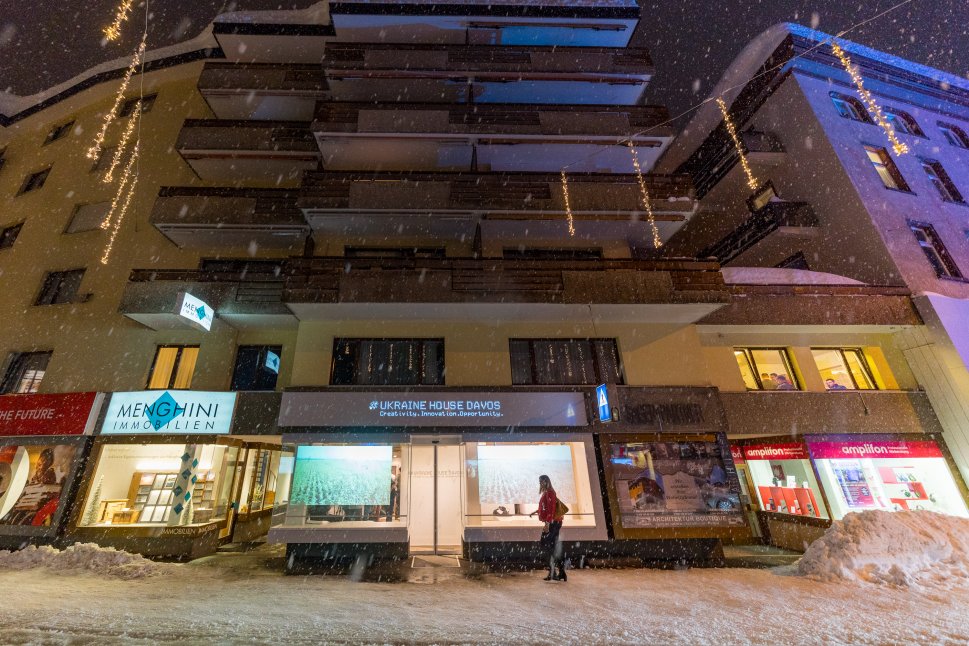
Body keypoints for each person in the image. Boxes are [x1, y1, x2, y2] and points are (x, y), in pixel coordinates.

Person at [529, 474, 566, 582]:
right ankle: (560, 573)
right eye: (540, 482)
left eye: (542, 481)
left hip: (552, 523)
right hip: (554, 522)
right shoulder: (548, 492)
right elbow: (546, 507)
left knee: (545, 545)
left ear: (546, 481)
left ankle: (553, 572)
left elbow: (551, 509)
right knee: (552, 547)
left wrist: (547, 524)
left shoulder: (550, 492)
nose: (540, 483)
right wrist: (537, 511)